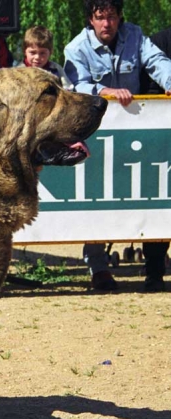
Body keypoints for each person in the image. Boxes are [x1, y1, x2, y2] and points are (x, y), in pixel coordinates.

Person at [64, 0, 171, 291]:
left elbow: (157, 61)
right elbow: (76, 87)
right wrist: (106, 91)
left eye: (112, 17)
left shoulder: (136, 35)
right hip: (94, 134)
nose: (107, 23)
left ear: (119, 17)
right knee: (98, 198)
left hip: (134, 133)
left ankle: (154, 267)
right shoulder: (75, 48)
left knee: (149, 193)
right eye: (101, 18)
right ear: (91, 19)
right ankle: (98, 268)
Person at [137, 26, 171, 292]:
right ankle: (155, 272)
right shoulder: (161, 40)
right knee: (159, 204)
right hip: (163, 138)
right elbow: (146, 83)